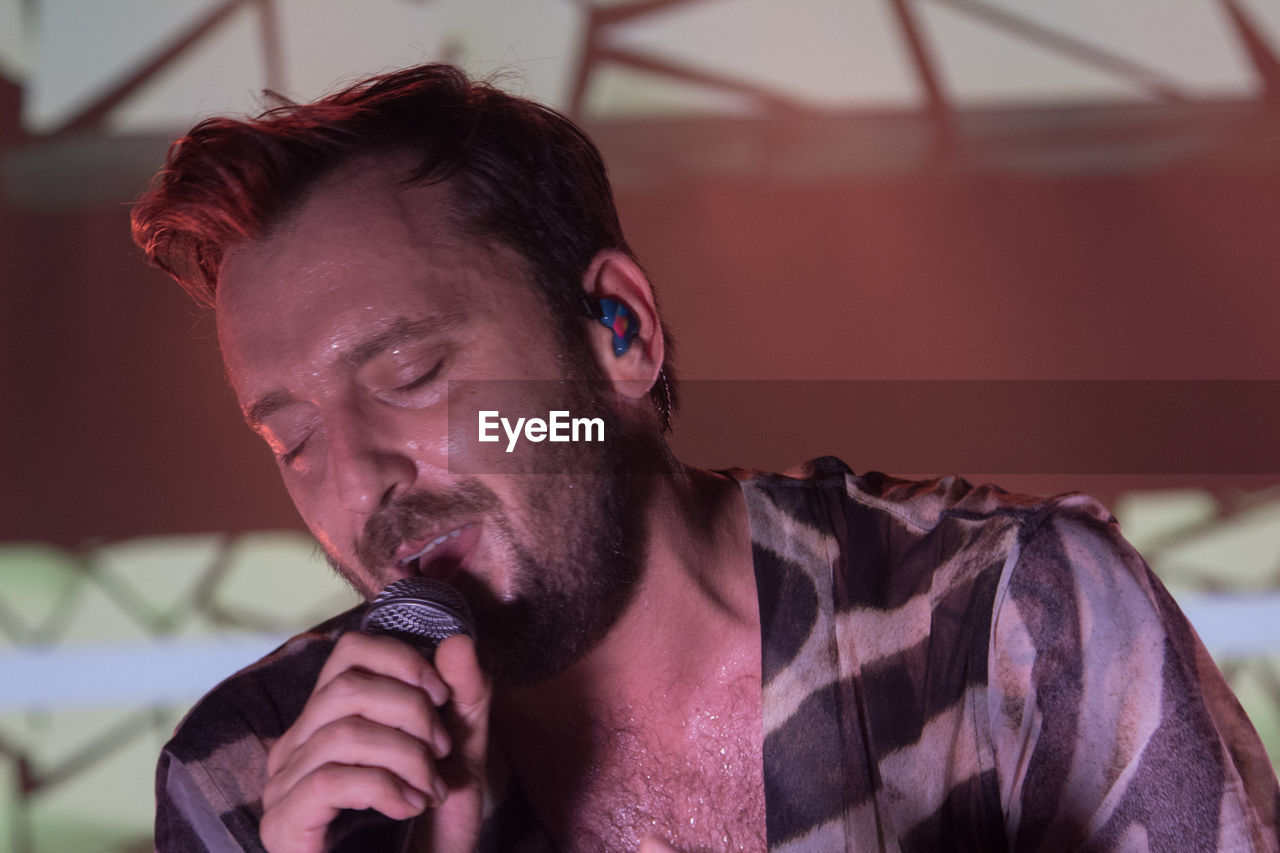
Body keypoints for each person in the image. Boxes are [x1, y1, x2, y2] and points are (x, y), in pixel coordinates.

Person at [132, 64, 1279, 852]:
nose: (358, 480)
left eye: (413, 376)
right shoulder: (250, 781)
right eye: (290, 439)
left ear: (616, 336)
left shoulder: (1002, 623)